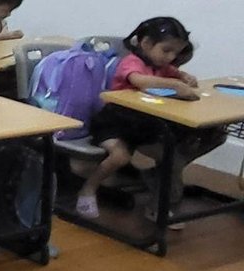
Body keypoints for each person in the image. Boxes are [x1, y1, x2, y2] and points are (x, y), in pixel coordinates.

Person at [77, 17, 225, 225]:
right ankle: (88, 189)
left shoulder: (164, 67)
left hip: (146, 125)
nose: (171, 57)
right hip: (116, 123)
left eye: (176, 52)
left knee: (194, 146)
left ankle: (158, 196)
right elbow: (139, 81)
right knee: (120, 156)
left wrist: (185, 77)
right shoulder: (132, 61)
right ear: (145, 44)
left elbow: (177, 76)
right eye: (166, 51)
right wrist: (174, 83)